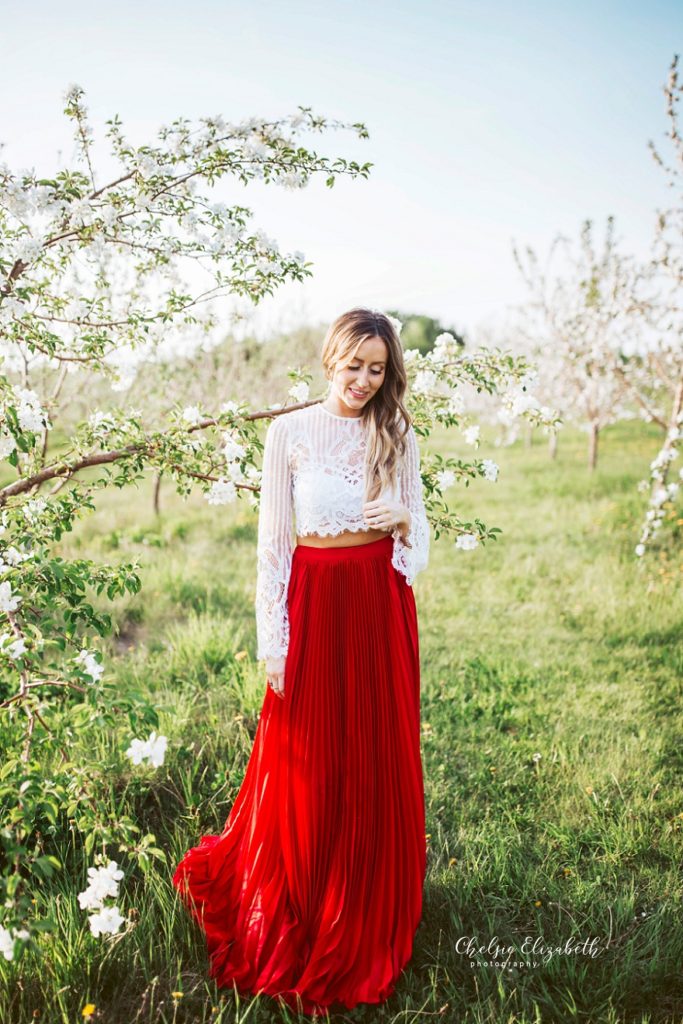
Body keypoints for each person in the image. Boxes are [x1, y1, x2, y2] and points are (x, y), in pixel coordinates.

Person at [173, 307, 430, 1016]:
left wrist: (405, 522)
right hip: (314, 604)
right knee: (310, 750)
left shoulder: (395, 431)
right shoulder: (288, 432)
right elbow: (273, 546)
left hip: (378, 602)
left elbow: (418, 528)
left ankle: (368, 896)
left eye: (376, 369)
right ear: (329, 359)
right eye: (353, 365)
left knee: (372, 751)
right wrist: (272, 638)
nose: (363, 380)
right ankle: (307, 891)